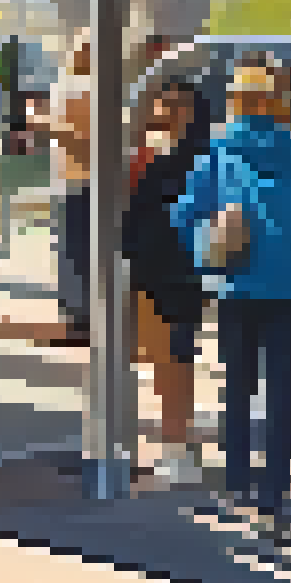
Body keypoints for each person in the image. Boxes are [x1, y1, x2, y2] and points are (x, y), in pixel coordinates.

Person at [173, 59, 291, 532]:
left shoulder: (217, 153)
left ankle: (238, 482)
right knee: (285, 392)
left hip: (237, 285)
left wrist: (209, 245)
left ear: (235, 103)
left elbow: (183, 216)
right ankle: (273, 493)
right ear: (274, 102)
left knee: (238, 386)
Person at [120, 76, 215, 485]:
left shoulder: (200, 159)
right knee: (162, 362)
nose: (166, 112)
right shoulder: (147, 155)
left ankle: (178, 449)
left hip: (179, 275)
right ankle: (176, 444)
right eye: (162, 104)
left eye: (177, 105)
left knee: (175, 361)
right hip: (146, 270)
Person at [42, 35, 96, 344]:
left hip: (80, 181)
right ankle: (78, 319)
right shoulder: (74, 86)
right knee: (71, 252)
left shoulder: (83, 89)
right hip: (71, 181)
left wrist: (48, 125)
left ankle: (80, 322)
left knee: (75, 253)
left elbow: (83, 139)